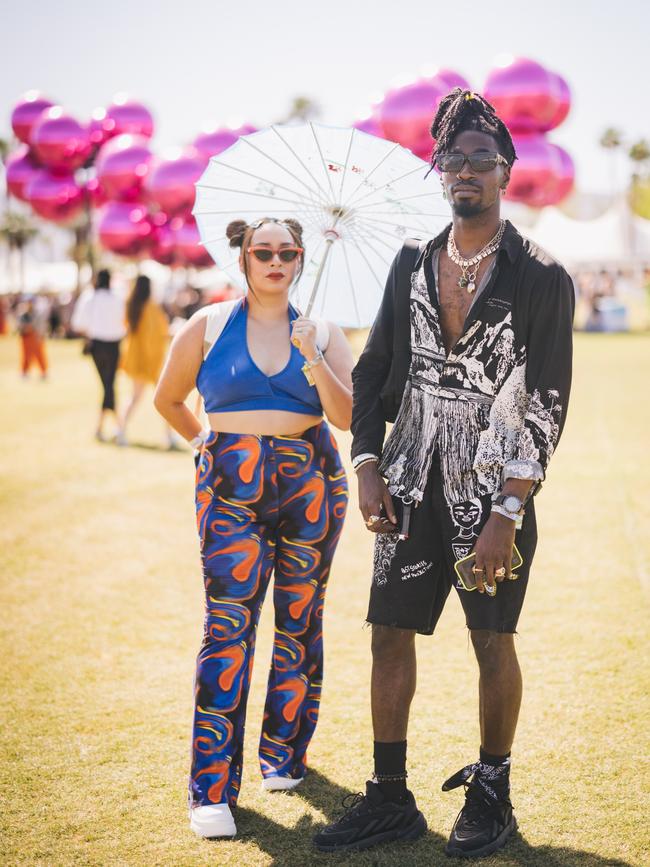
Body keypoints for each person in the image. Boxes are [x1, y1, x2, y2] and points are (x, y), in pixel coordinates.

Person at [314, 90, 574, 858]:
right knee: (388, 632)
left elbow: (548, 403)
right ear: (438, 170)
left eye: (482, 159)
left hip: (490, 488)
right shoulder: (411, 263)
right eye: (453, 158)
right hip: (407, 480)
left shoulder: (539, 276)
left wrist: (507, 510)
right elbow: (372, 371)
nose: (467, 170)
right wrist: (366, 464)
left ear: (506, 171)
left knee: (492, 637)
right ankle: (390, 798)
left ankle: (492, 791)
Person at [154, 217, 353, 840]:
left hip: (312, 484)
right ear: (242, 257)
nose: (274, 261)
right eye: (261, 251)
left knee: (300, 620)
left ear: (300, 259)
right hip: (230, 491)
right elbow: (168, 397)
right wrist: (205, 442)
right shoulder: (207, 325)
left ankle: (282, 757)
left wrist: (313, 357)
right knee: (228, 627)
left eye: (286, 252)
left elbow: (349, 417)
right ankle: (210, 789)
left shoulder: (320, 330)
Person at [117, 275, 176, 448]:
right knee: (166, 400)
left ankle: (120, 429)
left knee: (134, 397)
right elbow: (160, 332)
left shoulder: (131, 305)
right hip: (152, 360)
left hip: (136, 357)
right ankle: (169, 436)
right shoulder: (151, 307)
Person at [72, 269, 126, 441]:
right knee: (109, 385)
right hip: (114, 344)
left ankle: (108, 428)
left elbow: (78, 323)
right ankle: (117, 428)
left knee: (107, 385)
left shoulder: (90, 297)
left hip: (97, 344)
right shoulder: (117, 298)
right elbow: (124, 321)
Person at [16, 297, 48, 379]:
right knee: (26, 356)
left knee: (39, 355)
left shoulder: (37, 314)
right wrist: (25, 328)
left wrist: (40, 335)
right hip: (26, 338)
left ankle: (43, 372)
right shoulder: (23, 314)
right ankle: (24, 372)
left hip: (35, 337)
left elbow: (41, 326)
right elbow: (19, 327)